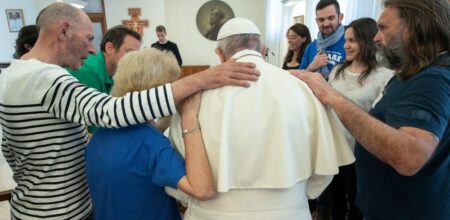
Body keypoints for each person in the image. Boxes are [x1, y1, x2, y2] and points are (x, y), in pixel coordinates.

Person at [0, 3, 258, 219]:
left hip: (36, 207)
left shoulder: (12, 74)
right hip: (57, 214)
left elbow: (10, 148)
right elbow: (110, 111)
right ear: (64, 30)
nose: (93, 49)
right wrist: (199, 82)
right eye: (90, 38)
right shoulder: (43, 79)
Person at [169, 17, 354, 220]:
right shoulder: (300, 87)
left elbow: (176, 168)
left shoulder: (194, 97)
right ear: (263, 49)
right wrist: (296, 196)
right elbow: (324, 168)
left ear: (219, 54)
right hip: (289, 212)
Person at [291, 0, 449, 219]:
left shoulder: (432, 80)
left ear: (414, 28)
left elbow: (410, 155)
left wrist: (332, 96)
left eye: (383, 28)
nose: (376, 37)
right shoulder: (410, 73)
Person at [85, 48, 215, 220]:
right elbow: (202, 190)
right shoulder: (150, 142)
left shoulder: (99, 134)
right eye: (171, 88)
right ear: (156, 92)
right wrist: (189, 118)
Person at [326, 17, 393, 220]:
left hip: (361, 151)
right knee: (335, 200)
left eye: (352, 40)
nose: (346, 45)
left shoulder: (385, 75)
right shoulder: (337, 71)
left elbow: (381, 117)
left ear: (367, 41)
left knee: (358, 202)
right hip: (335, 147)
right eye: (346, 40)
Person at [68, 25, 142, 134]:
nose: (135, 60)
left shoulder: (108, 73)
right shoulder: (89, 71)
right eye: (130, 53)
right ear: (109, 48)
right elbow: (94, 129)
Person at [299, 0, 345, 78]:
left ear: (340, 17)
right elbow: (299, 78)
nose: (326, 23)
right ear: (317, 21)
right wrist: (312, 67)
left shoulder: (349, 44)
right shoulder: (311, 47)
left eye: (331, 18)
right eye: (321, 20)